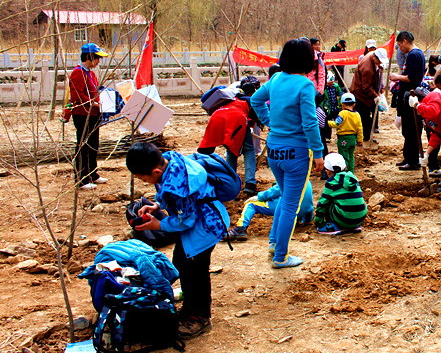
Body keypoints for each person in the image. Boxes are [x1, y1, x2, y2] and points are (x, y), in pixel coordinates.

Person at [126, 142, 231, 338]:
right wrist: (157, 205)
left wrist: (159, 225)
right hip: (203, 222)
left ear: (156, 170)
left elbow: (187, 219)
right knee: (182, 263)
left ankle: (199, 317)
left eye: (143, 178)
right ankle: (191, 306)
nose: (143, 181)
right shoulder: (170, 160)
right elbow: (165, 190)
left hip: (205, 227)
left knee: (195, 270)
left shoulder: (179, 186)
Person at [250, 39, 325, 268]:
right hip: (297, 152)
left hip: (274, 150)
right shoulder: (304, 85)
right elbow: (310, 122)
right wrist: (319, 152)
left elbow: (255, 100)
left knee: (285, 198)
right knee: (291, 205)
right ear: (307, 60)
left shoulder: (275, 79)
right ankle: (280, 256)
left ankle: (274, 243)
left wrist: (269, 121)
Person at [69, 42, 110, 189]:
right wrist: (93, 103)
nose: (99, 61)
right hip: (82, 114)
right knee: (83, 146)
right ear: (89, 57)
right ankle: (81, 179)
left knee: (93, 145)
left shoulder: (91, 73)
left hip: (94, 114)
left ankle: (92, 174)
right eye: (97, 58)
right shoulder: (78, 73)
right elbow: (77, 95)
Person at [225, 181, 315, 240]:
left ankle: (240, 228)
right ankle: (296, 222)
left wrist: (259, 196)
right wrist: (307, 220)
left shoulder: (288, 176)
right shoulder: (307, 179)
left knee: (251, 204)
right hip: (304, 211)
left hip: (288, 209)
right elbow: (309, 204)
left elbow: (275, 191)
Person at [389, 31, 425, 171]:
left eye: (399, 45)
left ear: (404, 41)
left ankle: (413, 161)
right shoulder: (416, 54)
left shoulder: (414, 55)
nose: (399, 48)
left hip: (411, 95)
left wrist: (397, 77)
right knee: (407, 129)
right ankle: (408, 157)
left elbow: (412, 77)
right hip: (408, 95)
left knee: (411, 129)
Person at [221, 75, 261, 197]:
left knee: (231, 151)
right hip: (239, 123)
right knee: (249, 150)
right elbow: (257, 118)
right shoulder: (249, 100)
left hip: (224, 123)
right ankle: (250, 183)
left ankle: (230, 183)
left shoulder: (232, 97)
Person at [315, 153, 368, 235]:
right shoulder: (353, 179)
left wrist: (319, 222)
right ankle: (353, 226)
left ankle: (333, 227)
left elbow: (321, 204)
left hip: (344, 220)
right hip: (359, 219)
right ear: (345, 167)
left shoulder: (332, 183)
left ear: (327, 171)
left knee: (328, 201)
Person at [352, 47, 389, 142]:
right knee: (364, 117)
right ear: (374, 58)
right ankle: (364, 138)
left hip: (366, 92)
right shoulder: (367, 68)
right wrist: (375, 95)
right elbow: (366, 87)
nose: (379, 63)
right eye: (379, 61)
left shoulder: (372, 55)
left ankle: (367, 135)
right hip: (360, 93)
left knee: (368, 115)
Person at [328, 92, 363, 174]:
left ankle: (345, 173)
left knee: (344, 157)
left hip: (343, 138)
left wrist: (327, 123)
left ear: (342, 104)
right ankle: (351, 172)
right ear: (354, 104)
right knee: (351, 156)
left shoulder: (342, 113)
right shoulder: (357, 114)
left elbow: (336, 124)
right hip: (353, 139)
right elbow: (360, 128)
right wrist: (360, 140)